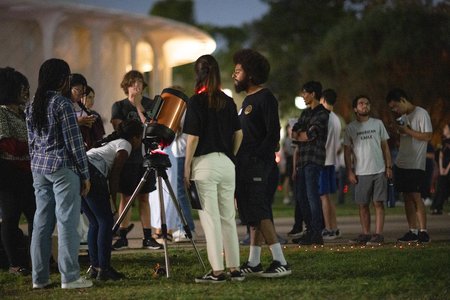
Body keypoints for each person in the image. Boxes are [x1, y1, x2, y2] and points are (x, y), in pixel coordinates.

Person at [25, 58, 92, 289]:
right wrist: (85, 174)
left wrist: (36, 165)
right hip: (63, 168)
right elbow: (74, 144)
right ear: (63, 79)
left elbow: (31, 142)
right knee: (67, 222)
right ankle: (70, 277)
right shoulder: (62, 104)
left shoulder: (32, 104)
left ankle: (39, 278)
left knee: (41, 223)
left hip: (39, 170)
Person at [183, 54, 243, 283]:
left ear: (198, 74)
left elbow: (193, 139)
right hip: (227, 164)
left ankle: (217, 271)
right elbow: (239, 133)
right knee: (228, 217)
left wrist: (186, 167)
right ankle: (235, 268)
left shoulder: (195, 102)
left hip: (204, 164)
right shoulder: (228, 101)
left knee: (210, 220)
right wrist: (231, 155)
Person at [233, 49, 291, 278]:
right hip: (246, 165)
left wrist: (256, 157)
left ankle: (280, 261)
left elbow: (272, 135)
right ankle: (254, 262)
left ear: (251, 73)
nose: (233, 75)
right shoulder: (247, 99)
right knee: (254, 215)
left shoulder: (265, 98)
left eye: (238, 71)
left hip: (260, 166)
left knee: (261, 212)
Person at [82, 119, 143, 281]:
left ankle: (95, 267)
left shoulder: (112, 142)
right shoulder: (125, 145)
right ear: (135, 137)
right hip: (94, 173)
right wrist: (113, 201)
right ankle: (105, 268)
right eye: (140, 138)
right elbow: (115, 174)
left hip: (81, 170)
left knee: (95, 222)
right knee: (106, 222)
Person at [110, 70, 161, 250]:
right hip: (127, 158)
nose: (137, 86)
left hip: (145, 157)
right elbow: (119, 129)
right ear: (126, 86)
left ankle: (148, 236)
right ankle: (122, 235)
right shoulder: (119, 106)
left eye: (139, 82)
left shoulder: (150, 104)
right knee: (126, 197)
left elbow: (152, 128)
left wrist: (139, 107)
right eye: (133, 83)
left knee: (144, 197)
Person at [0, 67, 35, 276]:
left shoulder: (24, 113)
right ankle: (14, 263)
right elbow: (7, 144)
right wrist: (34, 145)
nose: (25, 92)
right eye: (21, 88)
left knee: (36, 217)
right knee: (11, 217)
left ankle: (36, 259)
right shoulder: (2, 112)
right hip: (8, 174)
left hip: (28, 173)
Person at [344, 96, 392, 245]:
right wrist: (349, 171)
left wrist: (388, 166)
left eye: (367, 103)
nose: (364, 105)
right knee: (363, 204)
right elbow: (347, 151)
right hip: (361, 171)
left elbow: (385, 146)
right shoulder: (351, 128)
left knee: (378, 203)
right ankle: (366, 233)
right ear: (355, 108)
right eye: (361, 103)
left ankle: (378, 234)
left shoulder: (377, 124)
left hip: (379, 169)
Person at [386, 88, 433, 243]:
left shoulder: (421, 113)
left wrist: (407, 130)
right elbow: (407, 137)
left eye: (395, 106)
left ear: (403, 100)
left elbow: (427, 136)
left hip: (415, 163)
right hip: (402, 162)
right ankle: (412, 231)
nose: (394, 110)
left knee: (416, 196)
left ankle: (423, 231)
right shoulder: (404, 117)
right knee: (406, 197)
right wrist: (399, 131)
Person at [291, 81, 329, 245]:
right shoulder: (305, 113)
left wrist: (300, 134)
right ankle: (309, 230)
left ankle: (316, 233)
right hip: (303, 159)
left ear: (313, 94)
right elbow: (294, 132)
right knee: (301, 196)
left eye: (305, 93)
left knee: (312, 196)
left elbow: (310, 135)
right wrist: (299, 133)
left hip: (314, 159)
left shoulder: (322, 113)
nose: (303, 96)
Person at [319, 89, 342, 240]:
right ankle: (334, 227)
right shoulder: (336, 118)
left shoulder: (324, 117)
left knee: (324, 197)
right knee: (329, 197)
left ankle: (329, 229)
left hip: (322, 161)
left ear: (323, 100)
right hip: (332, 161)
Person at [431, 123, 450, 215]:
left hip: (448, 168)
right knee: (440, 187)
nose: (444, 129)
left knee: (445, 187)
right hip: (443, 168)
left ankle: (438, 207)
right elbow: (441, 155)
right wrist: (441, 167)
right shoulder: (443, 141)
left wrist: (447, 169)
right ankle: (437, 207)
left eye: (446, 128)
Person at [79, 85, 105, 150]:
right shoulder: (77, 114)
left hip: (96, 148)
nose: (92, 100)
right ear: (81, 97)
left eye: (93, 97)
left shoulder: (96, 115)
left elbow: (101, 135)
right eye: (89, 97)